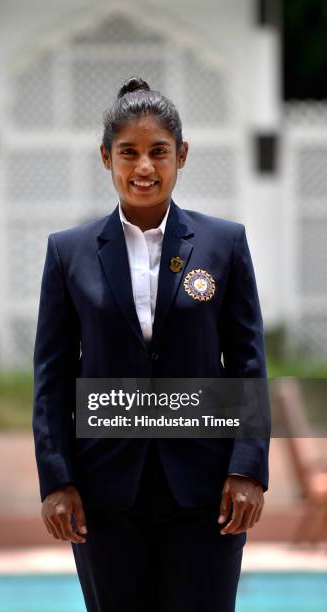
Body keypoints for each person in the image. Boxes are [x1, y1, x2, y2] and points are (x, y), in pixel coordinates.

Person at [32, 77, 269, 612]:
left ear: (181, 156)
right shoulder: (68, 253)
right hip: (105, 492)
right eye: (129, 153)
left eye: (158, 152)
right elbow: (52, 372)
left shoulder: (223, 243)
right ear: (105, 157)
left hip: (207, 491)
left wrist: (247, 468)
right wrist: (57, 479)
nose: (144, 167)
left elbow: (248, 360)